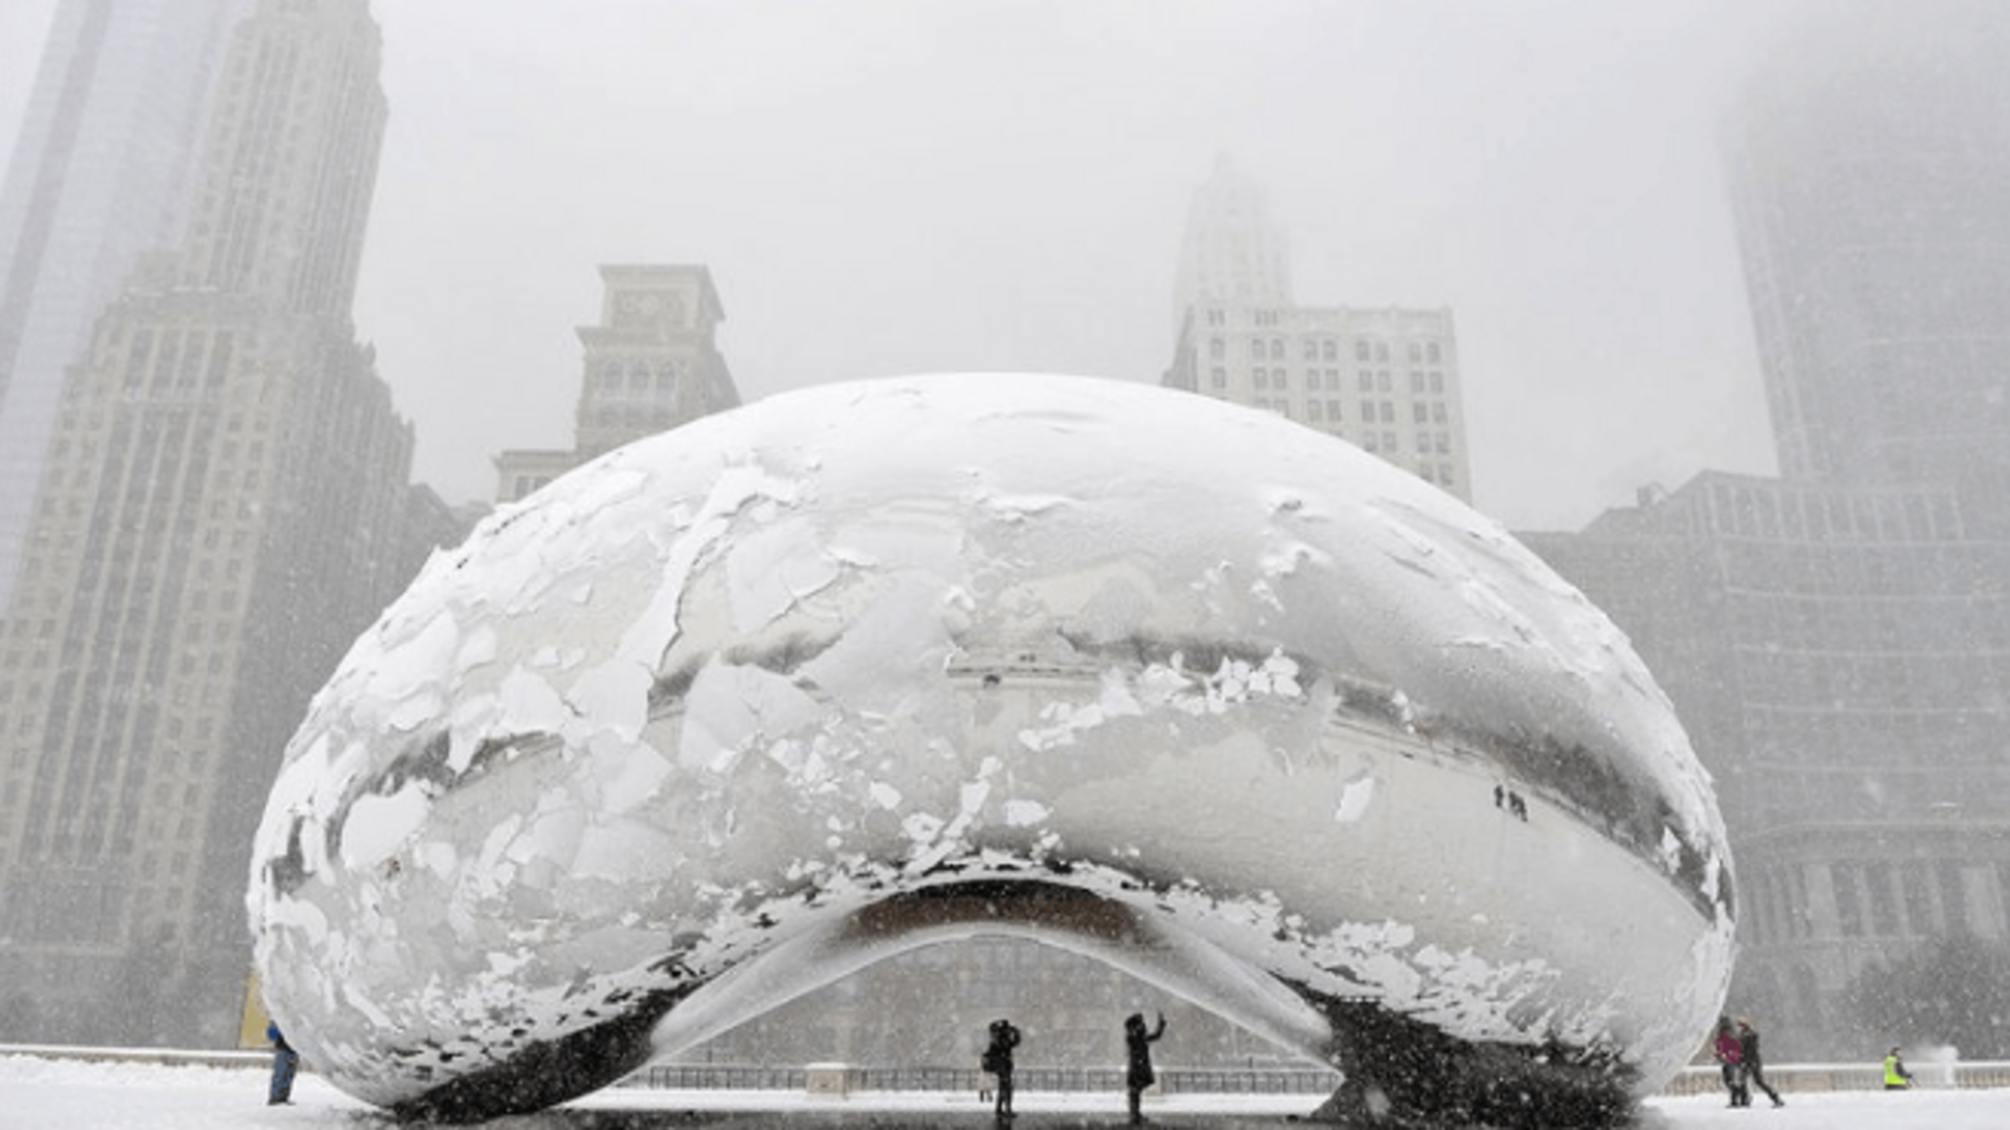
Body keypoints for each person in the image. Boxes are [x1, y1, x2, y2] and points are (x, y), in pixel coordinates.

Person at [1123, 1011, 1167, 1125]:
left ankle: (1135, 1114)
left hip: (1139, 1067)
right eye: (1141, 1023)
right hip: (1137, 1067)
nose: (1143, 1026)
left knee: (1135, 1092)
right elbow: (1152, 1036)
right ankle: (1134, 1115)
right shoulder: (1133, 1037)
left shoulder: (1137, 1036)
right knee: (1134, 1092)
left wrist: (1161, 1024)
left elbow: (1155, 1036)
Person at [1736, 1018, 1784, 1107]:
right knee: (1750, 1081)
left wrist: (1742, 1058)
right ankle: (1774, 1097)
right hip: (1752, 1061)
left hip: (1750, 1061)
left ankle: (1746, 1099)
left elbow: (1747, 1051)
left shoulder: (1748, 1037)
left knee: (1749, 1080)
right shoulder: (1749, 1036)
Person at [980, 1017, 1021, 1119]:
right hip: (1001, 1065)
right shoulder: (999, 1038)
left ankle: (1001, 1109)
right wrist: (1014, 1031)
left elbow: (1014, 1042)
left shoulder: (998, 1037)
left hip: (1002, 1065)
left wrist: (1014, 1032)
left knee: (1004, 1087)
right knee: (1006, 1087)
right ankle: (1005, 1109)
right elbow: (1014, 1043)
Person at [1712, 1016, 1749, 1107]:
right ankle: (1742, 1098)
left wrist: (1721, 1054)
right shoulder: (1731, 1034)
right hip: (1733, 1060)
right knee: (1735, 1080)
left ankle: (1737, 1099)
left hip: (1731, 1061)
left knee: (1731, 1081)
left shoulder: (1726, 1035)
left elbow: (1724, 1047)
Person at [266, 1020, 298, 1106]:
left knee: (289, 1071)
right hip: (284, 1044)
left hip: (291, 1044)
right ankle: (277, 1097)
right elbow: (272, 1033)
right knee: (282, 1071)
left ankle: (283, 1096)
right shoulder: (279, 1017)